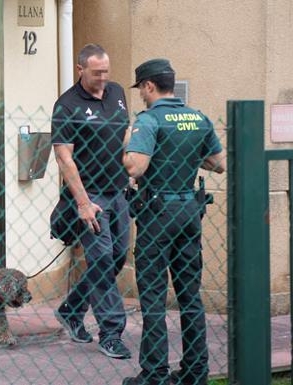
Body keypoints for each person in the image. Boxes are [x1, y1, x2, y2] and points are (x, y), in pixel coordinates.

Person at [121, 59, 225, 385]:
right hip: (189, 213)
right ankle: (195, 371)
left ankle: (154, 374)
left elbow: (136, 167)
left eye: (141, 89)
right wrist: (185, 156)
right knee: (189, 295)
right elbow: (218, 163)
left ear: (149, 86)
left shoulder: (148, 120)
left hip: (157, 215)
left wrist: (126, 145)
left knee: (153, 296)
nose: (140, 96)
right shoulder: (198, 117)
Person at [51, 44, 132, 360]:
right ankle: (111, 332)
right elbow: (63, 157)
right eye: (96, 73)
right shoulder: (67, 105)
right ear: (80, 69)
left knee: (116, 257)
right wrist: (83, 203)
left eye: (106, 72)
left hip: (119, 191)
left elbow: (124, 135)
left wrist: (131, 172)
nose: (103, 78)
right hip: (90, 195)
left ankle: (72, 311)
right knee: (100, 259)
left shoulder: (117, 92)